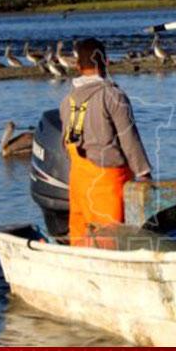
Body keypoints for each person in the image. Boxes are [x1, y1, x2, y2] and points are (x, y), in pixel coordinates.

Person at [60, 38, 152, 247]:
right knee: (110, 241)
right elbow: (130, 139)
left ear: (77, 66)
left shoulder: (67, 101)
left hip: (78, 183)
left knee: (81, 240)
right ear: (107, 62)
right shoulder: (113, 96)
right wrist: (144, 174)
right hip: (108, 184)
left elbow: (64, 146)